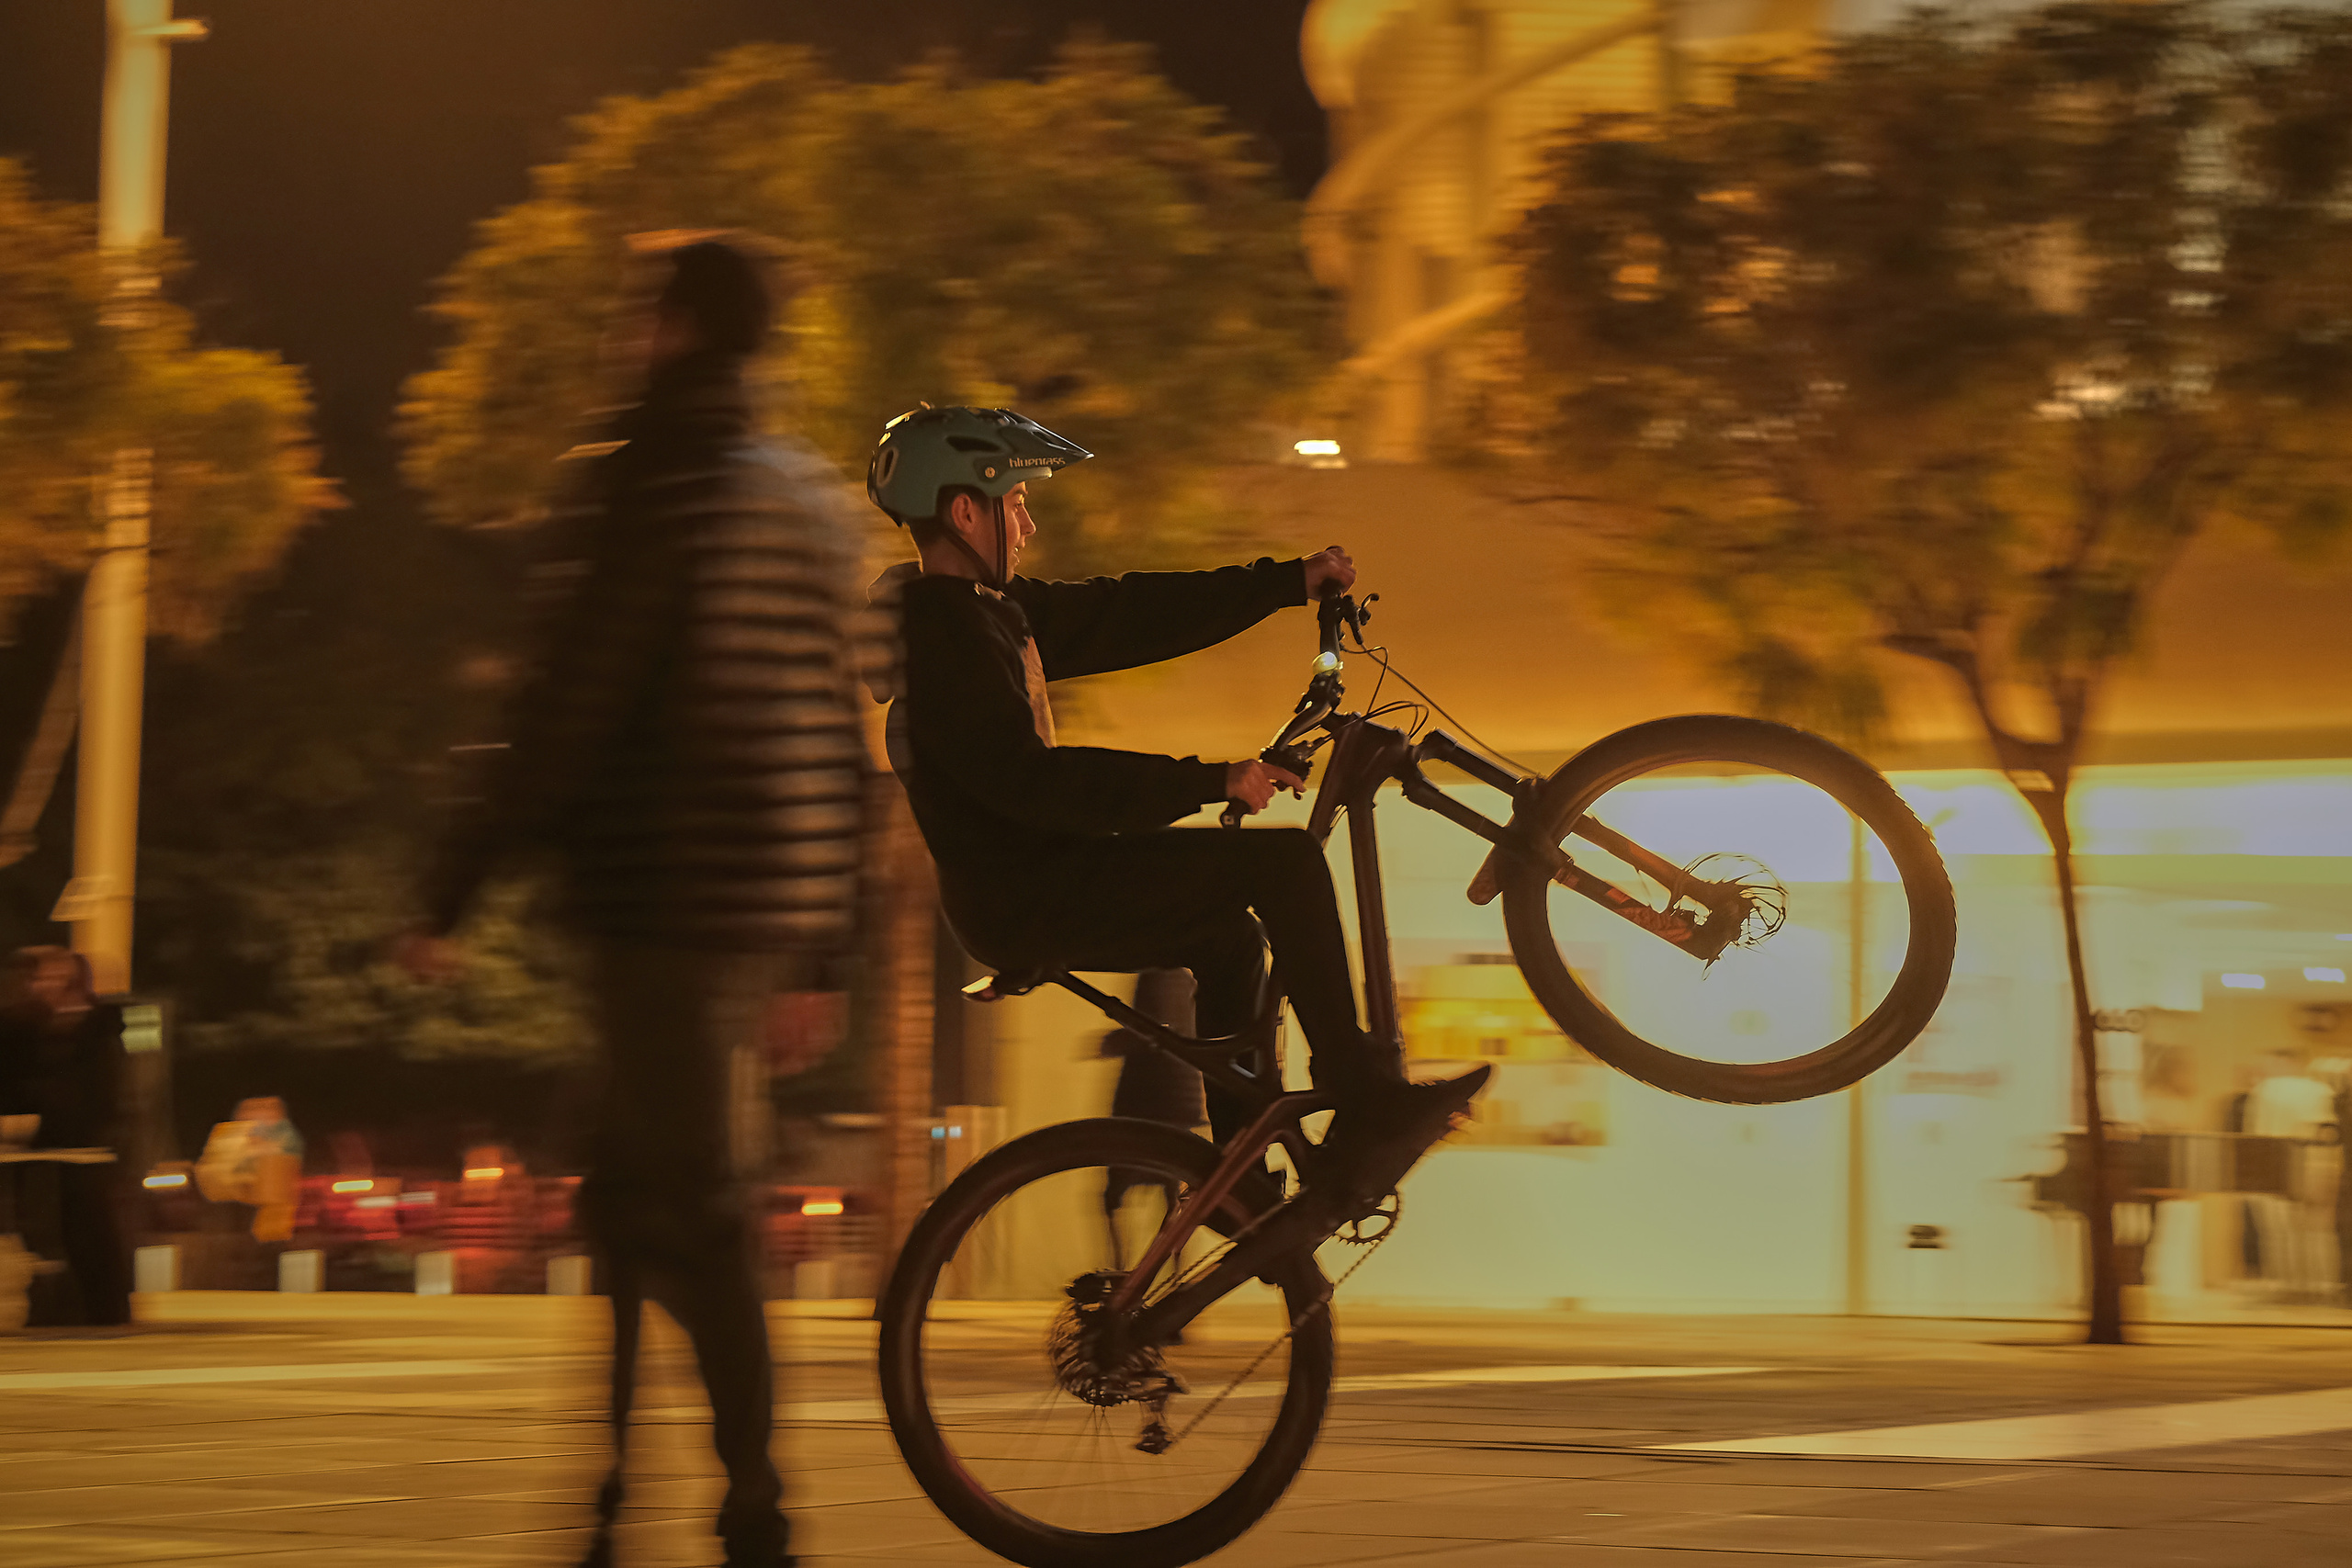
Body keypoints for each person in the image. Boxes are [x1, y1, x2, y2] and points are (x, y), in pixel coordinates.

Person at [403, 236, 868, 1568]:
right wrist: (825, 943)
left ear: (670, 329)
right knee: (623, 1191)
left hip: (661, 890)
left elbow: (568, 697)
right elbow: (842, 730)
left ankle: (757, 1512)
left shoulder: (652, 482)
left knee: (699, 1204)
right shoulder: (812, 498)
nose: (623, 337)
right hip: (766, 895)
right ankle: (608, 1493)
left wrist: (455, 882)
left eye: (635, 315)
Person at [862, 406, 1486, 1204]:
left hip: (1034, 875)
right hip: (1024, 892)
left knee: (1229, 941)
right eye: (1016, 503)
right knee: (1285, 863)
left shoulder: (983, 612)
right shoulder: (944, 639)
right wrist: (1208, 779)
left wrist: (1284, 583)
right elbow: (1039, 785)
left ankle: (1236, 1182)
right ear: (963, 511)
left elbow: (1135, 612)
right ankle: (1362, 1099)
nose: (1029, 522)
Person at [0, 947, 131, 1325]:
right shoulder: (24, 1027)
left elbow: (104, 1088)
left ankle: (99, 1308)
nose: (47, 985)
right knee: (42, 1228)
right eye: (42, 977)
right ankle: (50, 1304)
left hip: (84, 1145)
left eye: (58, 977)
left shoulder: (99, 1028)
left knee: (89, 1227)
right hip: (39, 1145)